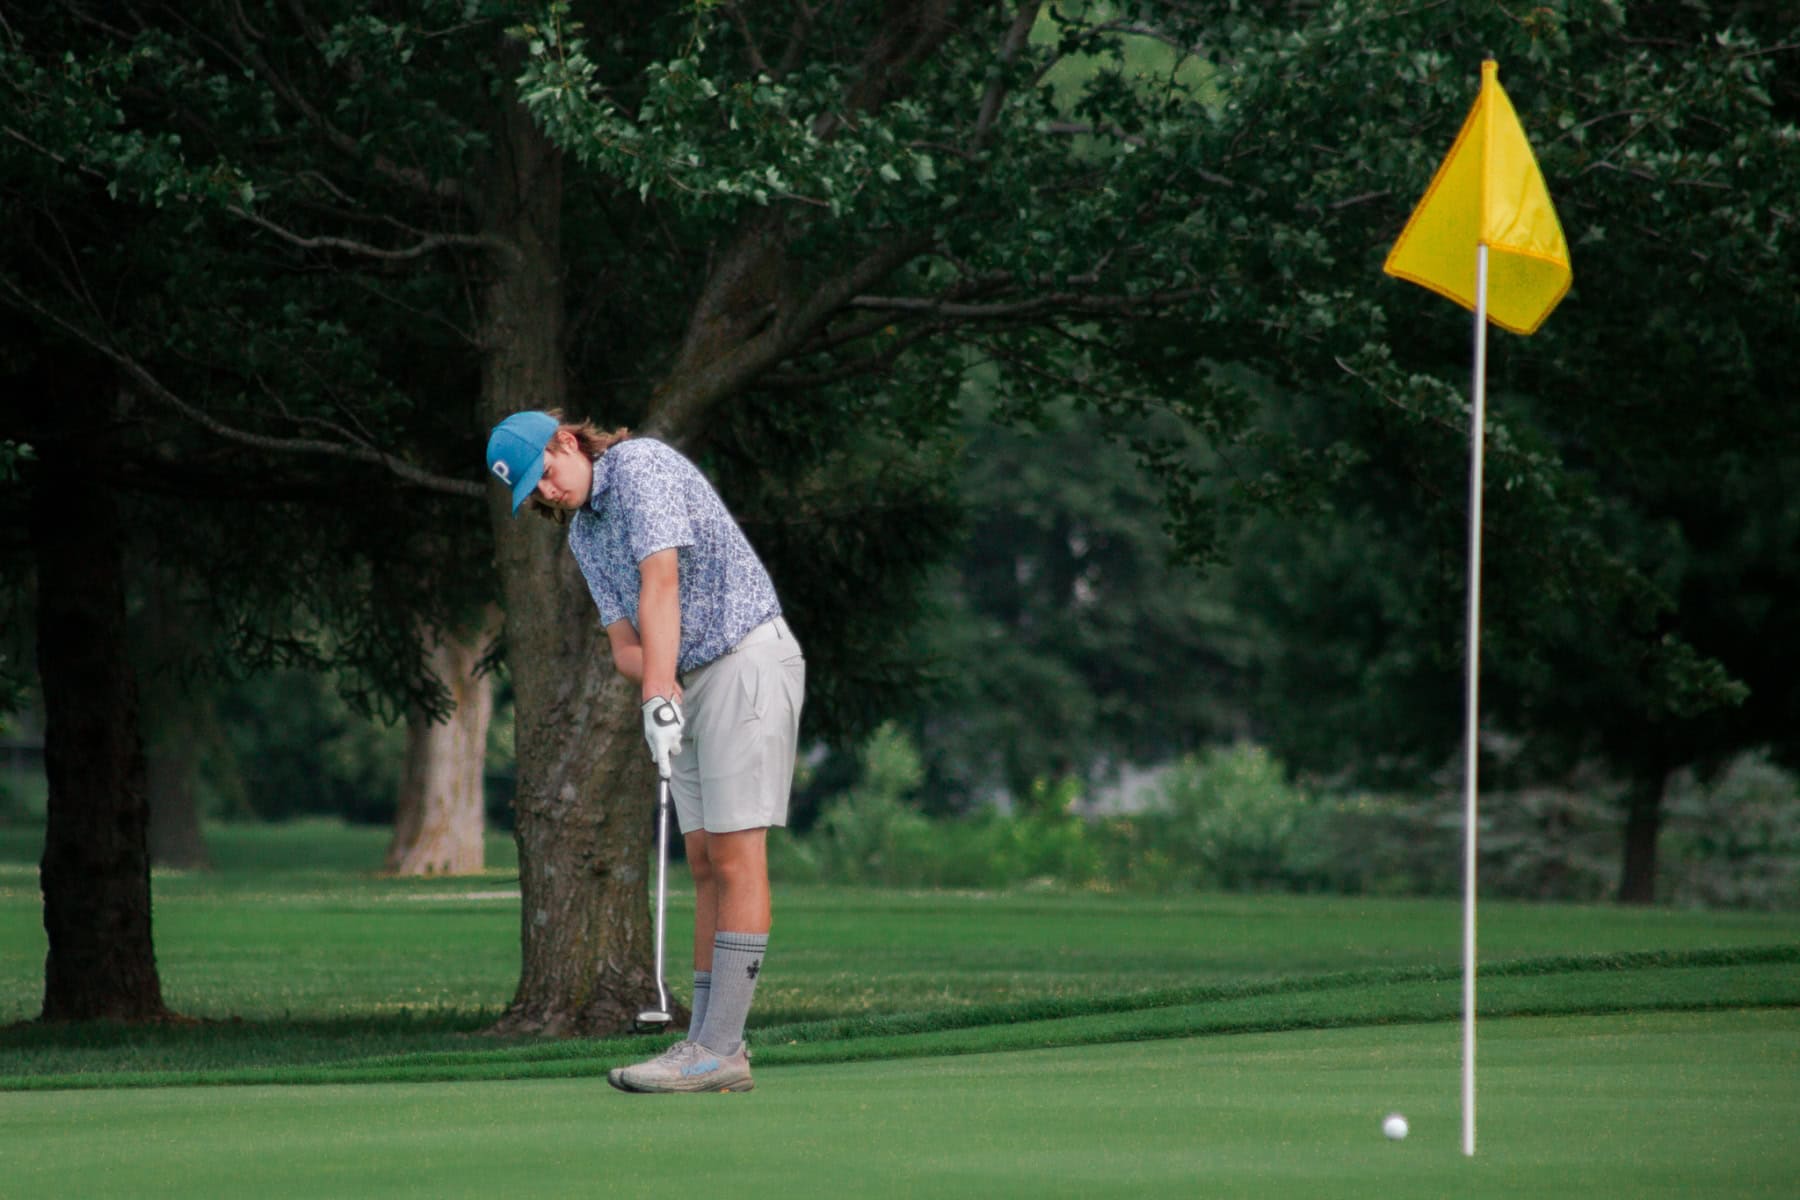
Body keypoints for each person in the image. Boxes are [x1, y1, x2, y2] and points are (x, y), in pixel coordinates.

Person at [485, 410, 805, 1094]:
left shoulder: (640, 468)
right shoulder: (584, 532)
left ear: (566, 440)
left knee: (735, 854)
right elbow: (625, 646)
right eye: (533, 492)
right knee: (704, 860)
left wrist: (658, 688)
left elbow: (662, 580)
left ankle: (720, 1049)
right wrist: (658, 690)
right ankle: (704, 1045)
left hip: (745, 658)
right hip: (690, 680)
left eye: (546, 474)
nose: (547, 492)